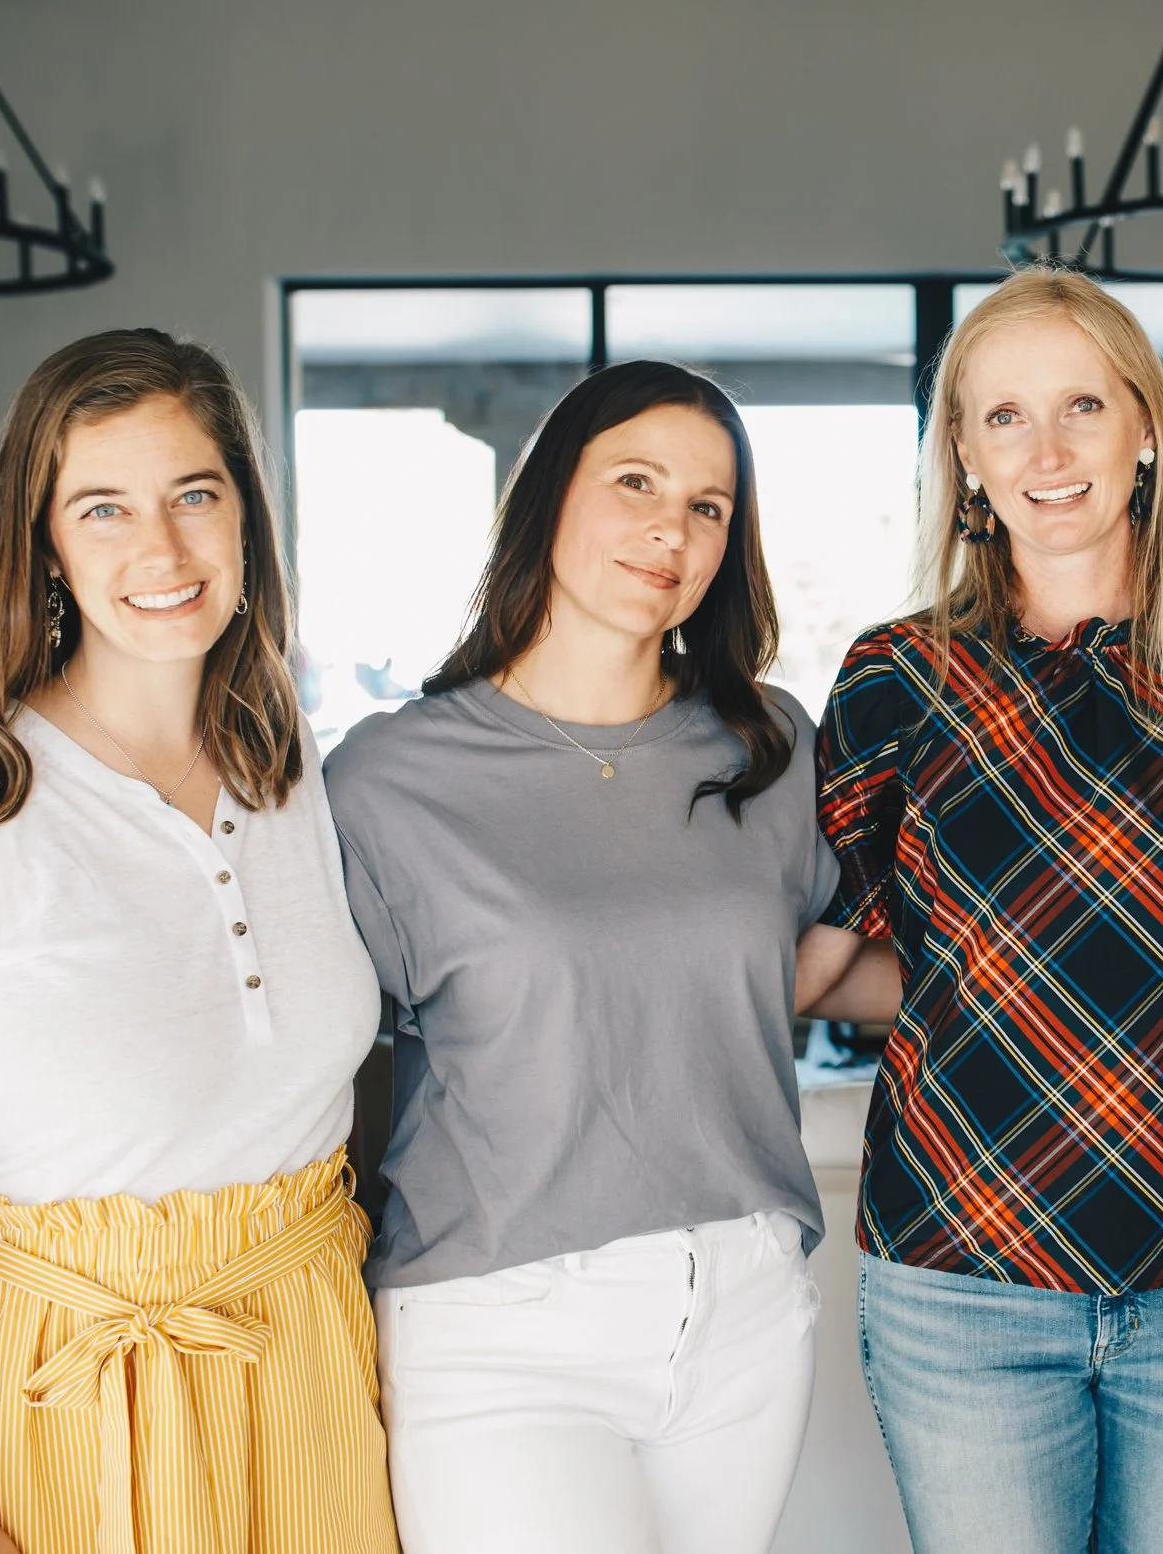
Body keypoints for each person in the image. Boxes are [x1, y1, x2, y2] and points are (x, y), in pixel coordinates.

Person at [809, 266, 1163, 1553]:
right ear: (961, 450)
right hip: (961, 1271)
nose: (1047, 448)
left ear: (1145, 432)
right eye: (1002, 415)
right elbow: (841, 956)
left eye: (1081, 404)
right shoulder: (898, 675)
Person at [0, 329, 393, 1554]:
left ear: (245, 514)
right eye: (104, 508)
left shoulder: (297, 783)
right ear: (49, 549)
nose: (164, 550)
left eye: (195, 492)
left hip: (306, 1375)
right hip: (55, 1400)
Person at [325, 361, 891, 1554]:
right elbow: (304, 1055)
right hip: (500, 1321)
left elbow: (786, 977)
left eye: (708, 505)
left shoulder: (768, 742)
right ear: (547, 498)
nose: (670, 527)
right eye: (634, 479)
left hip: (739, 1302)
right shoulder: (388, 780)